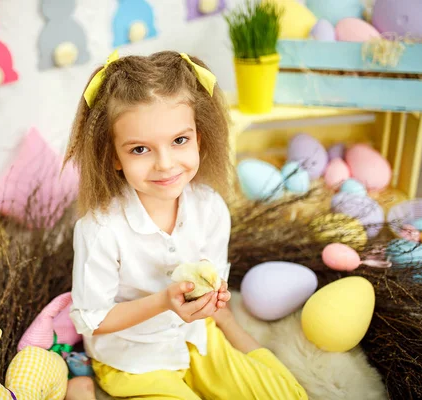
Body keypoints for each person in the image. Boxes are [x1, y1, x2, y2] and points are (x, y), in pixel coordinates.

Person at [63, 50, 308, 400]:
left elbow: (213, 290)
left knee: (288, 396)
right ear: (114, 156)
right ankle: (82, 384)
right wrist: (164, 301)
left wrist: (216, 304)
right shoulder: (100, 228)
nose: (165, 164)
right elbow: (94, 320)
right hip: (132, 359)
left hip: (195, 338)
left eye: (180, 141)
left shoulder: (209, 208)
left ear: (199, 137)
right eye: (140, 150)